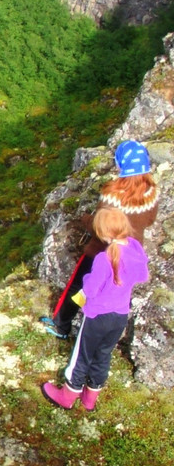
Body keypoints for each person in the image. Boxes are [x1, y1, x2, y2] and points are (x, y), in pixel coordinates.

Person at [41, 140, 157, 338]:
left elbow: (100, 226)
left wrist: (85, 219)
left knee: (79, 286)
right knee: (118, 289)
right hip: (129, 253)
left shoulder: (112, 194)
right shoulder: (151, 193)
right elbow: (150, 220)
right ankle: (111, 333)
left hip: (101, 251)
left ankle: (61, 325)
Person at [41, 207, 149, 411]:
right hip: (120, 316)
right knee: (103, 355)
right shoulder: (135, 250)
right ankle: (90, 399)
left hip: (97, 315)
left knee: (81, 355)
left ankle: (67, 395)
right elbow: (142, 276)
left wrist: (87, 278)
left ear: (104, 233)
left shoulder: (104, 258)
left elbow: (90, 289)